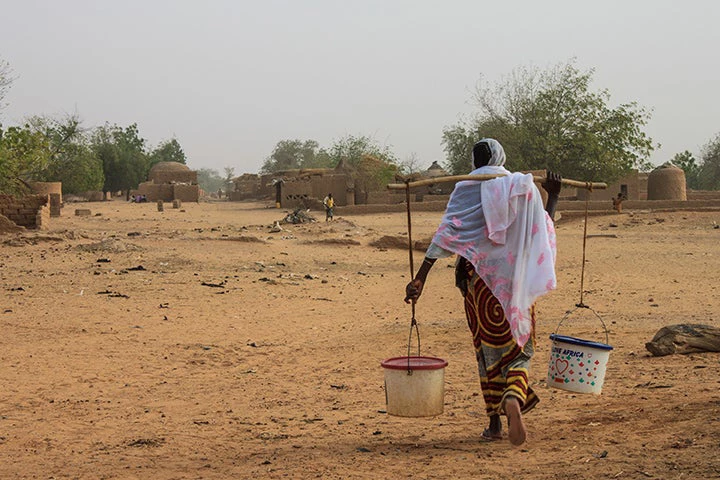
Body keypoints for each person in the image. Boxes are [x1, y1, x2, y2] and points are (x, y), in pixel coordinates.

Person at [404, 138, 561, 446]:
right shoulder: (521, 188)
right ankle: (514, 395)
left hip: (477, 287)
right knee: (519, 347)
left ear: (474, 162)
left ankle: (494, 424)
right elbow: (543, 230)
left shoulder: (465, 189)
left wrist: (420, 278)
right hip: (513, 286)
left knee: (486, 350)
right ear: (501, 157)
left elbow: (445, 235)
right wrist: (553, 196)